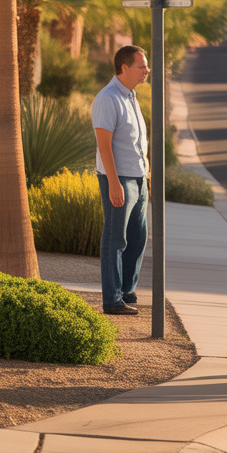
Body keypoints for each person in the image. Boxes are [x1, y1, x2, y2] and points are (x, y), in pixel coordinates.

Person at [92, 45, 150, 315]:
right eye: (141, 66)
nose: (147, 70)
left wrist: (146, 172)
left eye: (146, 66)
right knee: (115, 239)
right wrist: (114, 183)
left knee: (138, 238)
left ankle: (126, 290)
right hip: (119, 178)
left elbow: (136, 141)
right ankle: (112, 300)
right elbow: (104, 146)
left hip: (138, 177)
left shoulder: (130, 96)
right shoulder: (108, 98)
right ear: (124, 67)